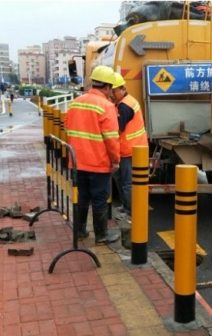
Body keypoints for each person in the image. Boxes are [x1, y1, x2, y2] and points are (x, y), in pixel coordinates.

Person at [64, 65, 121, 245]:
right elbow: (111, 138)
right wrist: (116, 160)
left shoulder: (76, 102)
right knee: (99, 198)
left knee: (83, 196)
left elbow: (67, 126)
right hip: (98, 162)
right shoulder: (107, 106)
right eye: (111, 88)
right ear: (107, 87)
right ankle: (101, 235)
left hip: (77, 161)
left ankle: (80, 230)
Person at [110, 73, 148, 222]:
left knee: (127, 182)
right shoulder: (127, 101)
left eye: (114, 91)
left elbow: (118, 129)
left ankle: (130, 211)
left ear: (122, 89)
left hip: (129, 150)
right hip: (131, 148)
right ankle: (126, 206)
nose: (112, 94)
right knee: (120, 179)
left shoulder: (125, 106)